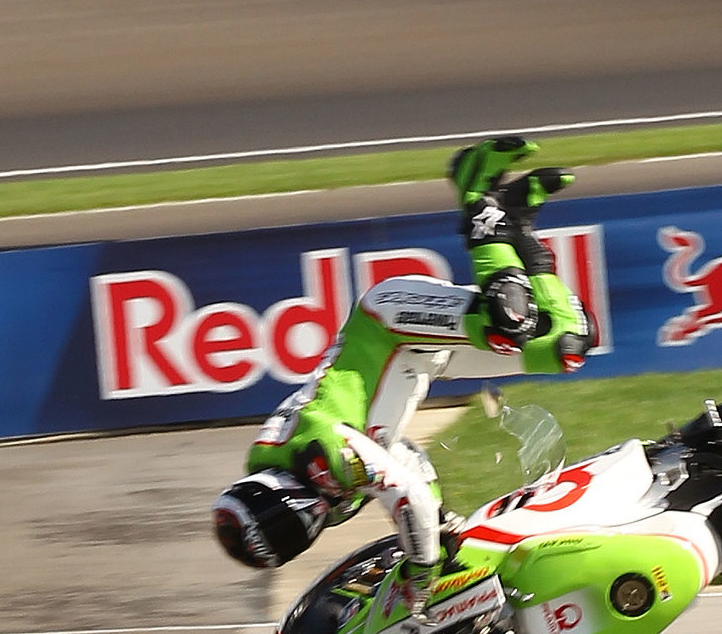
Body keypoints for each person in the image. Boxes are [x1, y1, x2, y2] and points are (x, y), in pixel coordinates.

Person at [211, 136, 590, 608]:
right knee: (566, 344)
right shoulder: (328, 492)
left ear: (273, 492)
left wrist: (420, 573)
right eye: (300, 534)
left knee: (506, 320)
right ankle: (517, 221)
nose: (313, 518)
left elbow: (402, 491)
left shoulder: (318, 449)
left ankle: (473, 188)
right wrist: (446, 523)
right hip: (426, 359)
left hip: (388, 325)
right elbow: (403, 458)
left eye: (295, 520)